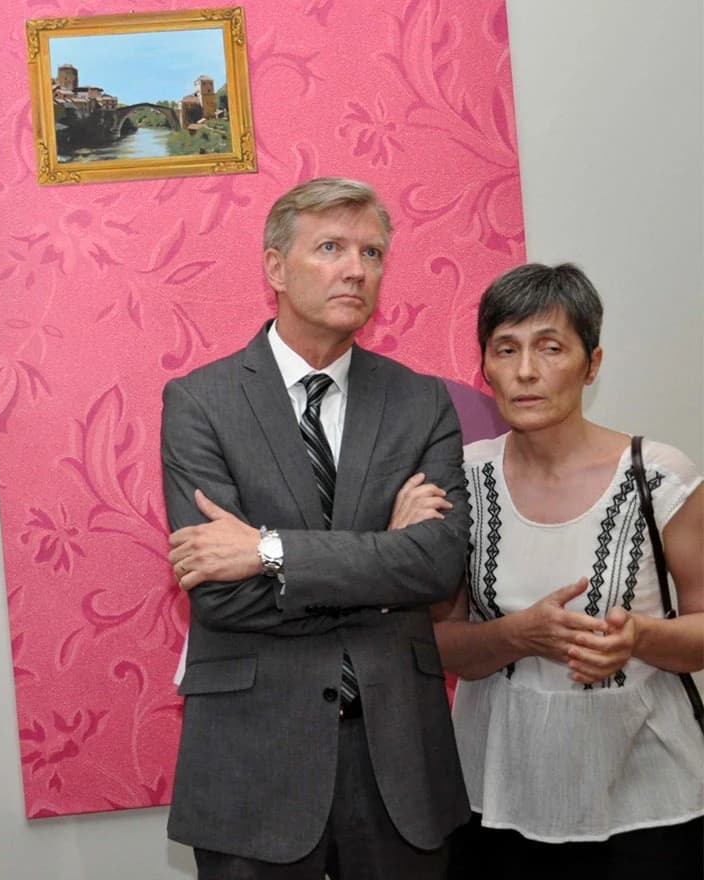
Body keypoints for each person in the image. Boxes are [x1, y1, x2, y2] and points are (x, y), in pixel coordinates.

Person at [162, 176, 470, 879]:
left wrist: (267, 550)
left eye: (372, 252)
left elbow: (437, 567)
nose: (356, 269)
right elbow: (221, 593)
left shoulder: (422, 401)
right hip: (253, 757)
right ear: (275, 267)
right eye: (331, 247)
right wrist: (385, 561)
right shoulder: (200, 403)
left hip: (399, 759)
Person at [437, 262, 704, 879]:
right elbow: (440, 643)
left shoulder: (659, 476)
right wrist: (517, 635)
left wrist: (639, 637)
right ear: (485, 367)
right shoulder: (460, 480)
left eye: (551, 347)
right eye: (506, 348)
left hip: (648, 797)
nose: (526, 371)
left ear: (592, 363)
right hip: (495, 795)